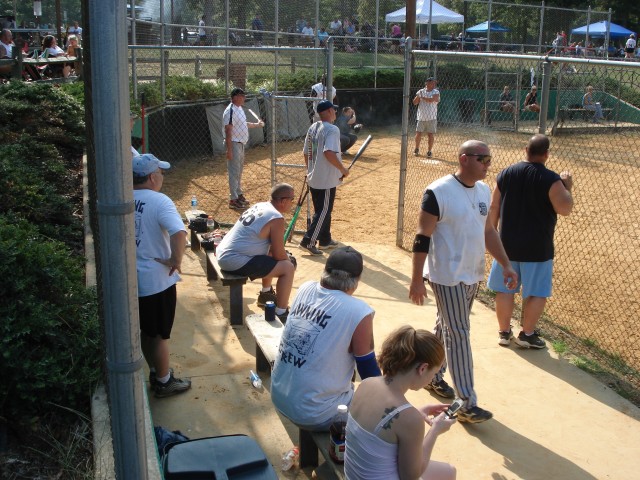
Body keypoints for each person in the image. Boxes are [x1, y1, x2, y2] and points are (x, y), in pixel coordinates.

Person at [408, 140, 517, 424]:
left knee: (447, 326)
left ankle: (432, 374)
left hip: (472, 272)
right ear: (464, 159)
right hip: (447, 275)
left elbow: (489, 231)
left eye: (489, 158)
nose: (487, 164)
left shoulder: (482, 190)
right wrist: (417, 278)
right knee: (459, 333)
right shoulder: (438, 191)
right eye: (482, 158)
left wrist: (505, 263)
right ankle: (467, 401)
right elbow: (422, 237)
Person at [271, 246, 381, 430]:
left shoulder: (305, 288)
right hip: (315, 414)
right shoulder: (359, 311)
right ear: (357, 280)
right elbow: (369, 371)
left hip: (279, 395)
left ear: (325, 271)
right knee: (380, 408)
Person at [488, 134, 573, 349]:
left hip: (506, 245)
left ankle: (504, 333)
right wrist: (567, 187)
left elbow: (494, 207)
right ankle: (527, 334)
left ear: (525, 149)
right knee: (536, 292)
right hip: (538, 247)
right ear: (546, 154)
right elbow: (565, 209)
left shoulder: (506, 173)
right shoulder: (551, 179)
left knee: (505, 289)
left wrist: (492, 233)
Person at [345, 325, 456, 480]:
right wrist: (435, 430)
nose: (432, 378)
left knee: (448, 471)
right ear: (423, 368)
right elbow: (411, 476)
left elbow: (384, 424)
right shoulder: (410, 420)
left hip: (352, 475)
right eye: (435, 373)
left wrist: (415, 413)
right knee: (449, 472)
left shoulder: (366, 384)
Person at [133, 153, 191, 398]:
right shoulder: (160, 201)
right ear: (151, 177)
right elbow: (179, 233)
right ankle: (165, 382)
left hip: (133, 278)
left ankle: (157, 372)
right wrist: (175, 261)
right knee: (159, 336)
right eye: (161, 173)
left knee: (147, 332)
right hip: (156, 281)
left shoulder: (125, 197)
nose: (163, 177)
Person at [216, 183, 296, 321]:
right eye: (292, 199)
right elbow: (279, 255)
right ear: (283, 201)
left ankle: (266, 294)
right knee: (288, 267)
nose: (292, 203)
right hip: (233, 260)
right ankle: (281, 312)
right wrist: (289, 261)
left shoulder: (261, 205)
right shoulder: (276, 218)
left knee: (271, 255)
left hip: (224, 253)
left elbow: (273, 251)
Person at [299, 100, 349, 255]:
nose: (335, 112)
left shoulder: (313, 127)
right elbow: (329, 153)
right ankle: (308, 241)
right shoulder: (332, 129)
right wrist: (343, 169)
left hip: (315, 176)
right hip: (325, 179)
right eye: (333, 110)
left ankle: (325, 240)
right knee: (323, 211)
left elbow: (306, 152)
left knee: (322, 210)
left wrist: (310, 170)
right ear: (327, 112)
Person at [222, 87, 264, 210]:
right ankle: (233, 199)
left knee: (238, 171)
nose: (244, 98)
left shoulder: (239, 109)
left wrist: (257, 125)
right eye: (241, 95)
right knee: (234, 171)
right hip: (233, 143)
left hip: (240, 143)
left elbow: (242, 125)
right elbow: (228, 130)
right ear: (234, 97)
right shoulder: (230, 110)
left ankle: (238, 194)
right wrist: (229, 150)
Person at [413, 77, 440, 158]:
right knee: (418, 133)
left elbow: (432, 100)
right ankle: (416, 149)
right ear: (427, 83)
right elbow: (414, 102)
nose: (434, 84)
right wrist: (419, 96)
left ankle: (429, 151)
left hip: (431, 117)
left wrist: (422, 97)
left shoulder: (436, 91)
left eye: (434, 83)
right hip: (421, 116)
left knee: (430, 134)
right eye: (432, 82)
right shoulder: (421, 91)